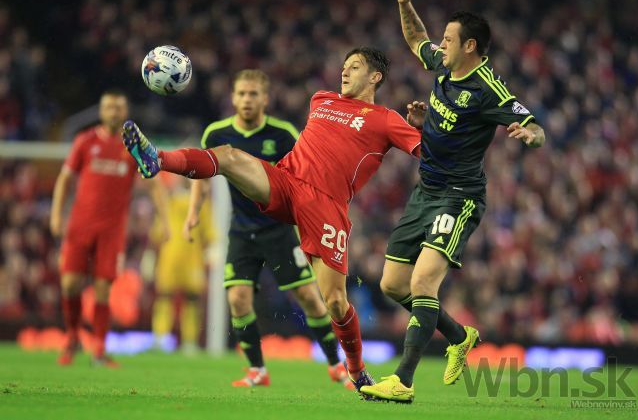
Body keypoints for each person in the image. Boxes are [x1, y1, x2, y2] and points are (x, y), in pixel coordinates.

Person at [122, 47, 422, 397]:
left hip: (325, 206)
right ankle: (156, 159)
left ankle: (356, 371)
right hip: (285, 181)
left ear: (375, 77)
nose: (344, 72)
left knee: (335, 302)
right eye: (343, 66)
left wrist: (419, 127)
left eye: (354, 68)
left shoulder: (385, 119)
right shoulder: (321, 100)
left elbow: (428, 152)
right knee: (229, 157)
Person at [360, 0, 547, 403]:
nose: (440, 45)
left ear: (471, 46)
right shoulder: (444, 67)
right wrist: (404, 3)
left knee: (424, 281)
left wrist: (527, 135)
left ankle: (403, 381)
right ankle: (459, 337)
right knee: (392, 284)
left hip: (458, 197)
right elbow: (415, 38)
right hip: (425, 190)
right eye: (442, 38)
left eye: (448, 40)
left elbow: (537, 129)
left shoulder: (488, 88)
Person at [185, 69, 354, 389]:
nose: (247, 100)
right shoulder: (217, 135)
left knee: (308, 295)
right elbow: (201, 173)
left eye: (253, 94)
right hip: (241, 229)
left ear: (265, 98)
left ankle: (335, 364)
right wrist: (194, 211)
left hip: (278, 230)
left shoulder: (282, 134)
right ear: (232, 98)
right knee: (237, 299)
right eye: (241, 94)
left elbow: (301, 177)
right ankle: (257, 371)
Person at [50, 89, 169, 367]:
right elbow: (64, 180)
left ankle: (99, 350)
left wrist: (164, 220)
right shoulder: (85, 141)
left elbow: (154, 185)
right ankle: (72, 338)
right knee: (70, 284)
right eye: (108, 107)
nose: (113, 112)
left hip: (112, 230)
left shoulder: (133, 146)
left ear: (125, 113)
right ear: (101, 111)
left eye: (118, 108)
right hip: (80, 226)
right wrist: (56, 215)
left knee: (103, 289)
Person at [150, 175, 214, 355]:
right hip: (169, 256)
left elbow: (209, 233)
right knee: (164, 296)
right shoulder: (169, 200)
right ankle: (160, 338)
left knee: (192, 299)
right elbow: (157, 232)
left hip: (192, 257)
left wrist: (210, 254)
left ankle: (189, 342)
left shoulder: (202, 202)